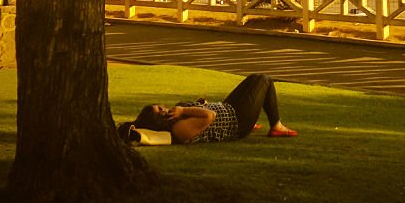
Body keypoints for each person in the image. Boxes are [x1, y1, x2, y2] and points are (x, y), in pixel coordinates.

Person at [118, 73, 298, 144]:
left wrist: (193, 105)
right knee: (264, 80)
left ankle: (265, 124)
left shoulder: (175, 119)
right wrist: (183, 110)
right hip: (237, 121)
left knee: (254, 78)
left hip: (228, 108)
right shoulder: (178, 129)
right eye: (160, 111)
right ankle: (276, 126)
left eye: (160, 107)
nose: (164, 109)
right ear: (157, 122)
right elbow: (209, 117)